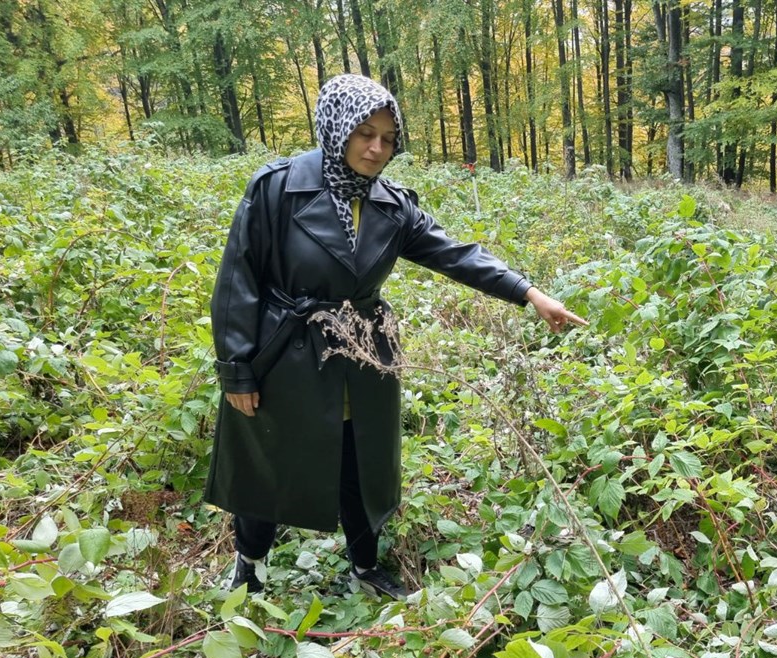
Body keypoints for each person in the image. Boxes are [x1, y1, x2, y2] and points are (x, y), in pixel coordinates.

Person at [207, 74, 585, 598]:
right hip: (283, 355)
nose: (377, 148)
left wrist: (529, 292)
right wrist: (237, 370)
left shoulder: (392, 204)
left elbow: (455, 254)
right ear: (336, 129)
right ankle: (249, 565)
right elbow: (237, 282)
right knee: (267, 463)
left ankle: (364, 566)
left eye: (387, 136)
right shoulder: (276, 190)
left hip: (364, 355)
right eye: (365, 133)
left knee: (362, 464)